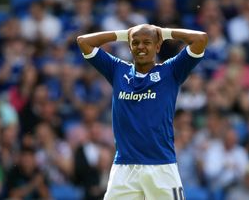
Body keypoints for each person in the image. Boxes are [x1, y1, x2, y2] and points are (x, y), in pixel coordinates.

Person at [77, 24, 208, 199]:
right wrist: (126, 34)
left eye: (147, 42)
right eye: (136, 43)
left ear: (158, 46)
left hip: (161, 167)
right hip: (125, 168)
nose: (140, 47)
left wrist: (163, 33)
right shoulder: (118, 70)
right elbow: (84, 42)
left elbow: (200, 39)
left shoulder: (171, 71)